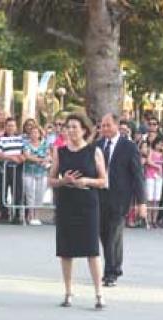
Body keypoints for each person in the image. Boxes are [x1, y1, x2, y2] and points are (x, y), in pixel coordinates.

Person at [48, 114, 107, 309]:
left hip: (87, 202)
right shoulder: (60, 151)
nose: (70, 130)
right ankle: (68, 291)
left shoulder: (94, 151)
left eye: (74, 127)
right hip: (66, 202)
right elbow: (51, 180)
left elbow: (103, 181)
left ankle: (99, 293)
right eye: (68, 127)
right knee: (66, 250)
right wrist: (63, 181)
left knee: (92, 249)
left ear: (84, 130)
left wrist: (86, 181)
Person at [97, 113, 146, 287]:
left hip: (120, 198)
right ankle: (113, 266)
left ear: (117, 126)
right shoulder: (97, 145)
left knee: (113, 234)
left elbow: (138, 175)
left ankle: (111, 272)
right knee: (103, 234)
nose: (104, 129)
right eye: (102, 125)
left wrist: (142, 203)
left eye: (108, 125)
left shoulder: (129, 146)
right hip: (100, 195)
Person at [0, 117, 25, 223]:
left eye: (12, 125)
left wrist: (21, 158)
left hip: (17, 169)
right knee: (2, 191)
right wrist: (11, 158)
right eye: (8, 125)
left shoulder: (21, 139)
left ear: (16, 127)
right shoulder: (0, 139)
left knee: (17, 192)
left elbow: (25, 152)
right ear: (5, 127)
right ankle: (3, 214)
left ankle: (16, 214)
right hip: (5, 169)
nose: (10, 128)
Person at [23, 126, 51, 225]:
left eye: (36, 133)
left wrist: (44, 159)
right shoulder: (26, 144)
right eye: (32, 133)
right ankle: (30, 215)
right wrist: (40, 159)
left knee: (40, 194)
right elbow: (27, 156)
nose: (34, 135)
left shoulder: (44, 144)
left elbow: (48, 155)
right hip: (29, 172)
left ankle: (37, 215)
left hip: (42, 173)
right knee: (30, 194)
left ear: (39, 134)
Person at [144, 138, 163, 228]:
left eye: (161, 144)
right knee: (149, 199)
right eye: (158, 144)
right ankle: (149, 220)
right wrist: (157, 166)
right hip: (150, 176)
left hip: (159, 177)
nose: (160, 145)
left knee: (157, 199)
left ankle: (154, 220)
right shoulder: (151, 151)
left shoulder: (162, 152)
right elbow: (148, 160)